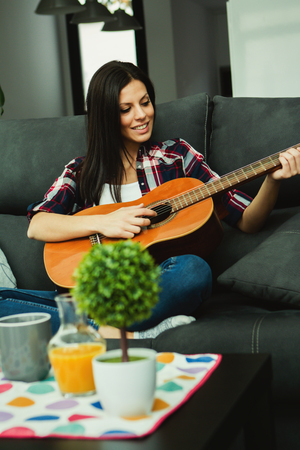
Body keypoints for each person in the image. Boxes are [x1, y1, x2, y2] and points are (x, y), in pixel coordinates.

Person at [4, 61, 300, 338]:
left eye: (145, 102)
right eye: (126, 109)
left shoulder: (176, 156)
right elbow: (37, 225)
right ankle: (124, 331)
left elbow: (249, 221)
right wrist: (106, 222)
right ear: (105, 116)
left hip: (154, 285)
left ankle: (89, 328)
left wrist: (272, 180)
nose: (141, 115)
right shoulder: (80, 171)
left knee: (194, 271)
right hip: (96, 291)